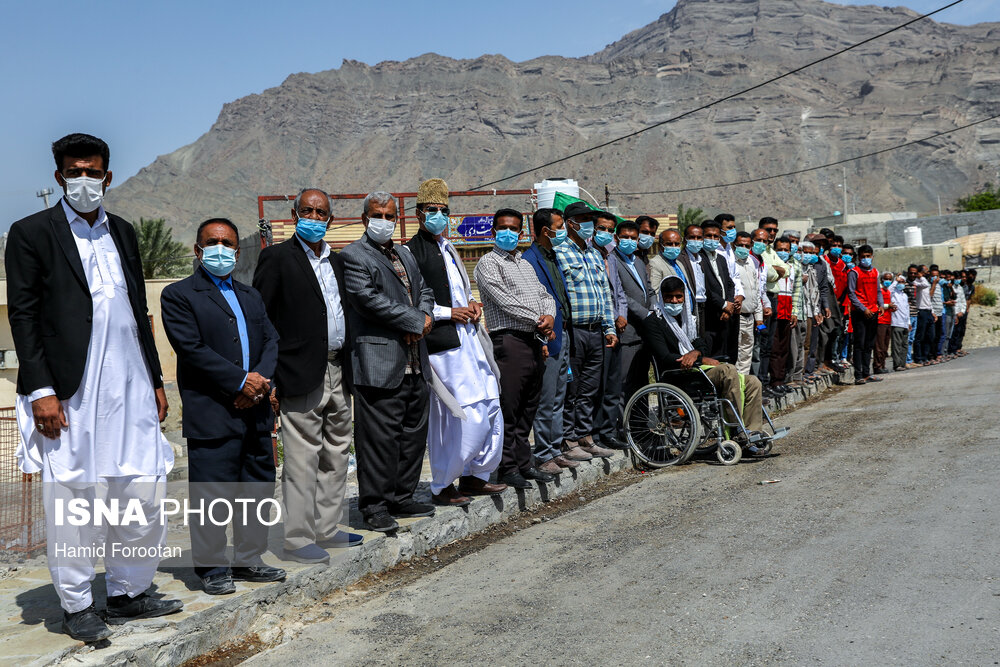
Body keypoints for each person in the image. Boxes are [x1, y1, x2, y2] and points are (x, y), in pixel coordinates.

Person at [6, 133, 180, 641]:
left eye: (93, 171)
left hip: (131, 385)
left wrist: (154, 379)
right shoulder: (32, 232)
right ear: (60, 177)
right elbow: (24, 314)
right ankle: (78, 604)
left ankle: (130, 592)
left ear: (108, 175)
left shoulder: (123, 232)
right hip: (71, 390)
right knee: (76, 496)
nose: (85, 180)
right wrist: (40, 390)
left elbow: (136, 312)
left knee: (141, 488)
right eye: (74, 171)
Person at [161, 218, 285, 594]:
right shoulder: (179, 295)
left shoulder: (250, 295)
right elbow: (192, 350)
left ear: (236, 250)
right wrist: (239, 380)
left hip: (256, 409)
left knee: (257, 487)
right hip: (213, 410)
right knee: (213, 493)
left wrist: (258, 382)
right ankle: (212, 567)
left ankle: (249, 558)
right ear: (199, 250)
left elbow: (271, 341)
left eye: (227, 242)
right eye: (212, 242)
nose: (220, 248)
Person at [253, 188, 363, 559]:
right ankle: (298, 538)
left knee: (336, 454)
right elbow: (262, 319)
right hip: (298, 372)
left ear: (330, 220)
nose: (313, 218)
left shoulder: (339, 261)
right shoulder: (277, 258)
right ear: (294, 213)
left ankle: (327, 528)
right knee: (301, 458)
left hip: (337, 368)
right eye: (307, 211)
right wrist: (269, 376)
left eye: (320, 213)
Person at [405, 179, 506, 506]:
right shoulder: (410, 252)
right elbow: (413, 302)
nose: (439, 215)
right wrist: (451, 312)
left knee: (490, 401)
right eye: (432, 210)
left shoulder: (448, 248)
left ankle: (477, 476)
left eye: (444, 210)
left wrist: (472, 305)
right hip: (443, 345)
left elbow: (460, 290)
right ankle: (443, 485)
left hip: (470, 340)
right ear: (419, 213)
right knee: (458, 414)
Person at [341, 191, 436, 533]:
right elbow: (367, 300)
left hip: (414, 361)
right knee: (378, 439)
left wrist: (423, 319)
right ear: (365, 218)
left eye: (390, 215)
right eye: (378, 214)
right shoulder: (353, 256)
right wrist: (413, 322)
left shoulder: (404, 254)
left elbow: (424, 291)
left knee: (412, 434)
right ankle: (375, 506)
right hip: (379, 361)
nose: (384, 220)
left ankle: (402, 495)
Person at [475, 209, 559, 489]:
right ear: (493, 231)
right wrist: (539, 319)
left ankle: (524, 464)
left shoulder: (524, 264)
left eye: (513, 229)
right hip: (509, 340)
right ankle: (507, 467)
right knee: (509, 408)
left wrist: (548, 316)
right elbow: (503, 301)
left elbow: (544, 295)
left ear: (521, 233)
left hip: (534, 340)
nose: (507, 233)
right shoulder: (488, 264)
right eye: (502, 228)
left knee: (528, 406)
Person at [640, 276, 766, 449]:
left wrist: (697, 353)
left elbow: (701, 343)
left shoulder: (687, 319)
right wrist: (696, 358)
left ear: (684, 297)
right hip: (678, 375)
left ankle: (752, 432)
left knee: (753, 382)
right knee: (728, 371)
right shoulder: (653, 322)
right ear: (662, 297)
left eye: (678, 297)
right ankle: (737, 429)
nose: (674, 301)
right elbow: (664, 357)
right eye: (669, 297)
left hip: (697, 370)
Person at [554, 202, 618, 460]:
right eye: (584, 219)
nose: (589, 224)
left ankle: (585, 436)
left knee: (590, 388)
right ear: (571, 223)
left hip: (596, 331)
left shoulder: (594, 254)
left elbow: (604, 292)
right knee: (572, 388)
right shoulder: (559, 253)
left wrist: (609, 327)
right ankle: (568, 440)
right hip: (574, 331)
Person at [522, 208, 578, 475]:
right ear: (546, 231)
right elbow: (533, 302)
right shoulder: (530, 259)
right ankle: (543, 453)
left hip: (562, 334)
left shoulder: (553, 256)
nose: (563, 231)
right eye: (559, 226)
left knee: (559, 396)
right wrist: (540, 338)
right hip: (547, 337)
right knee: (546, 399)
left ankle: (555, 449)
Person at [607, 219, 654, 430]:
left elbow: (649, 290)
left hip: (644, 332)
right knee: (623, 382)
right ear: (616, 238)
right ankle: (622, 427)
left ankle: (641, 426)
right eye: (624, 237)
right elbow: (622, 295)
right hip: (626, 331)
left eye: (633, 238)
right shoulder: (612, 261)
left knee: (641, 382)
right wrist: (645, 314)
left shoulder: (637, 262)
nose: (629, 241)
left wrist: (654, 311)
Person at [592, 211, 630, 450]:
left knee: (613, 385)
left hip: (616, 327)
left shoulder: (612, 257)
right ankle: (595, 434)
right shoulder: (588, 256)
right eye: (601, 228)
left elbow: (618, 293)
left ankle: (608, 431)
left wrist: (622, 315)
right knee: (597, 384)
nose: (605, 233)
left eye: (609, 230)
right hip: (599, 328)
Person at [845, 244, 883, 384]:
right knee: (859, 344)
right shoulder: (854, 272)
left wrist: (880, 304)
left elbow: (878, 290)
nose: (866, 259)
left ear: (872, 257)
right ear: (858, 258)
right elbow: (851, 293)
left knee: (869, 344)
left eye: (868, 257)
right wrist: (863, 308)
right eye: (863, 257)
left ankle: (867, 373)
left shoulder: (875, 272)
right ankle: (859, 375)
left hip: (873, 311)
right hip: (860, 313)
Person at [767, 236, 799, 391]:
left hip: (787, 311)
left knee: (784, 347)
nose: (783, 252)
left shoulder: (791, 268)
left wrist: (793, 311)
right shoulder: (772, 267)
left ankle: (781, 378)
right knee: (774, 346)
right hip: (775, 308)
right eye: (780, 249)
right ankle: (774, 380)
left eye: (786, 250)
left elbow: (793, 291)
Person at [732, 231, 764, 374]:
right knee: (736, 353)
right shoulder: (730, 262)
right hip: (737, 317)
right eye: (740, 245)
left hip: (750, 317)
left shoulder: (752, 262)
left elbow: (756, 291)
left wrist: (759, 318)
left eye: (746, 245)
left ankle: (743, 386)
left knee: (747, 354)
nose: (743, 248)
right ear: (734, 245)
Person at [648, 228, 683, 296]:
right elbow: (655, 293)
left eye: (676, 244)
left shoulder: (679, 263)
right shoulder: (655, 264)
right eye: (669, 244)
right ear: (660, 246)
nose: (673, 247)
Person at [911, 266, 934, 365]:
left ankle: (926, 356)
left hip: (928, 310)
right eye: (924, 271)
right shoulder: (918, 282)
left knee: (930, 335)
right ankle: (918, 357)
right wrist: (920, 277)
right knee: (920, 335)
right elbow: (924, 284)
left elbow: (928, 298)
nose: (926, 273)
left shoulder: (925, 282)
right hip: (921, 311)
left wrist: (932, 311)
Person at [872, 271, 894, 374]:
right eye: (886, 279)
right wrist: (887, 306)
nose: (888, 281)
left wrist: (892, 308)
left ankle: (883, 364)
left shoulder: (888, 292)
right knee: (879, 346)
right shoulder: (879, 291)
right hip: (880, 320)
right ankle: (877, 366)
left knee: (885, 346)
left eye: (890, 279)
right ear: (881, 280)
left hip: (888, 320)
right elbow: (877, 305)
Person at [889, 274, 911, 372]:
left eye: (902, 282)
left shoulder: (904, 295)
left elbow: (907, 309)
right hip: (896, 323)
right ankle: (896, 364)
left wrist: (909, 322)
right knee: (896, 345)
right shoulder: (893, 293)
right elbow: (889, 290)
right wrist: (895, 281)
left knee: (904, 345)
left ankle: (902, 363)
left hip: (905, 323)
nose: (900, 284)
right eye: (899, 282)